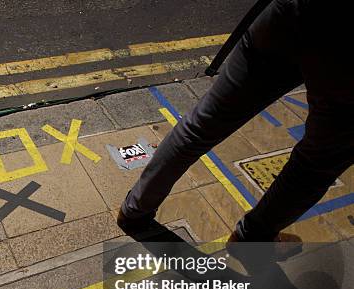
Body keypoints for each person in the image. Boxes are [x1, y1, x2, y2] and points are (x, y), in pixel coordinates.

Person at [117, 0, 354, 242]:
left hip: (292, 11)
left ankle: (134, 209)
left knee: (203, 123)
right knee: (319, 160)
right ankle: (252, 237)